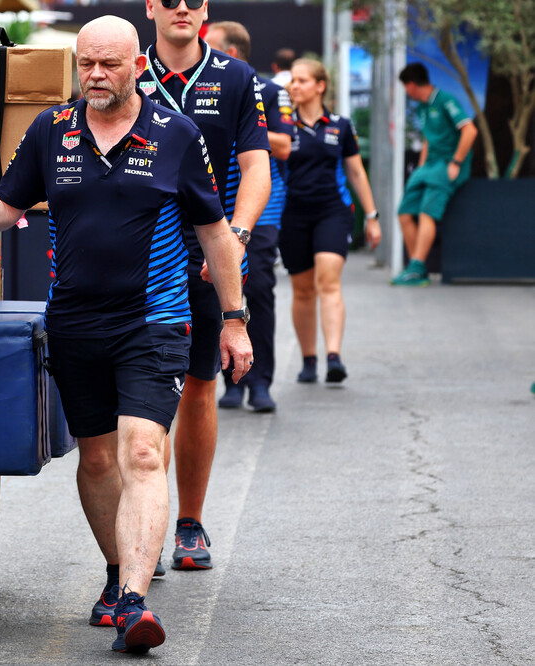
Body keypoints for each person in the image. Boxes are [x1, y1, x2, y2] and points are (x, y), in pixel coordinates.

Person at [0, 16, 252, 654]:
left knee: (143, 452)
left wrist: (234, 319)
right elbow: (9, 206)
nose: (95, 75)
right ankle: (119, 573)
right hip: (74, 321)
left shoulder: (178, 135)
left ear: (136, 67)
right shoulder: (50, 130)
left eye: (109, 64)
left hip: (153, 320)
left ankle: (136, 605)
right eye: (86, 63)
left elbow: (214, 233)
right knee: (95, 459)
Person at [137, 0, 270, 576]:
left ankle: (189, 521)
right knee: (140, 397)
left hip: (209, 249)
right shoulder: (123, 69)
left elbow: (257, 166)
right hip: (137, 252)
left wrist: (235, 240)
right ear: (151, 8)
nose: (182, 7)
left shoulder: (237, 77)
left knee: (197, 385)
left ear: (206, 9)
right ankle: (147, 528)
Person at [206, 22, 295, 413]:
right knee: (219, 295)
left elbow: (285, 145)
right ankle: (230, 381)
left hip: (260, 213)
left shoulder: (272, 91)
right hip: (212, 211)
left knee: (257, 290)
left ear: (233, 54)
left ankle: (260, 382)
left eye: (210, 47)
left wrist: (246, 127)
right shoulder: (197, 88)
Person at [282, 59, 381, 382]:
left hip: (333, 212)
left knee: (328, 281)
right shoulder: (282, 127)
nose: (295, 86)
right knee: (303, 290)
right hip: (292, 214)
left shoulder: (340, 125)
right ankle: (309, 359)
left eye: (302, 80)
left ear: (320, 86)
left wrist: (372, 216)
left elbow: (356, 171)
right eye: (293, 80)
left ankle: (334, 357)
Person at [392, 62, 478, 287]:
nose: (406, 91)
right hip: (427, 167)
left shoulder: (445, 99)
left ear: (410, 85)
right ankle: (416, 269)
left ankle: (417, 266)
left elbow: (470, 130)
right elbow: (429, 137)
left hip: (446, 165)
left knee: (426, 213)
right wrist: (420, 167)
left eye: (405, 86)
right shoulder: (422, 107)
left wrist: (456, 162)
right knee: (404, 213)